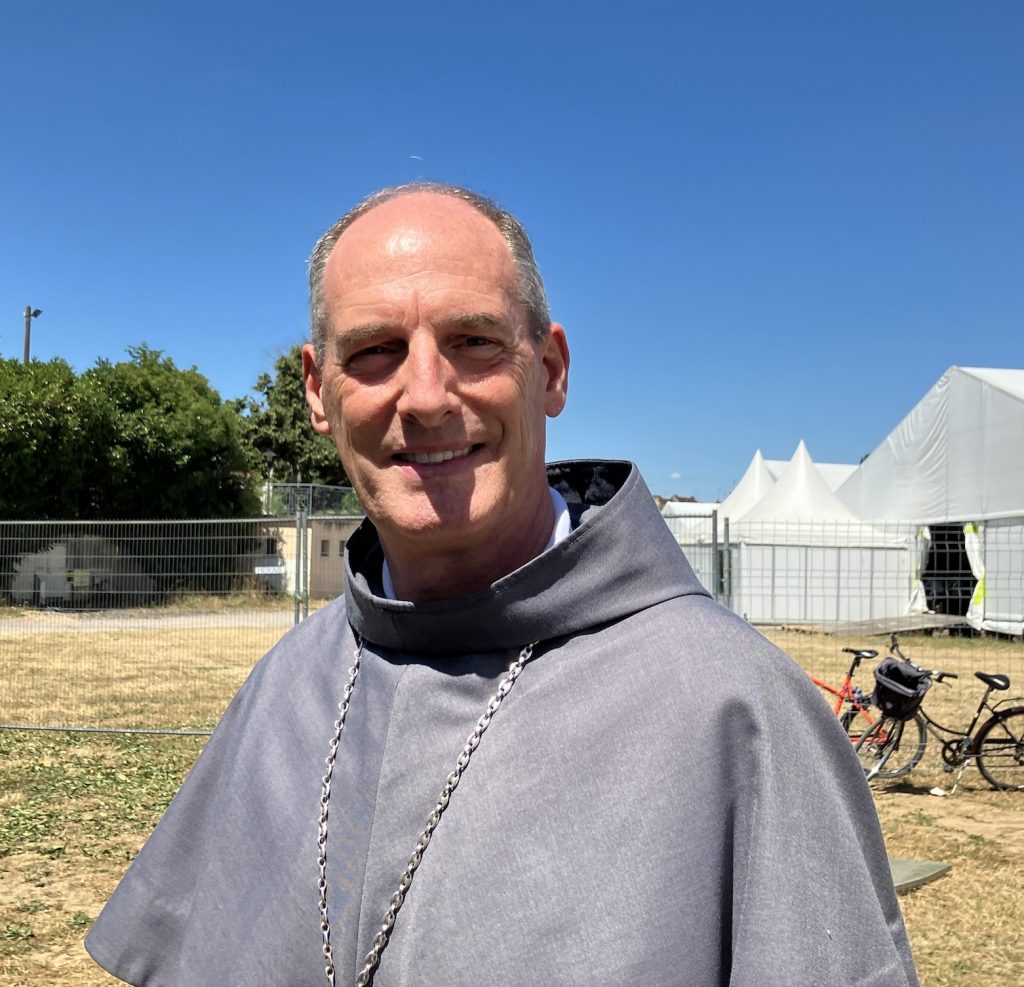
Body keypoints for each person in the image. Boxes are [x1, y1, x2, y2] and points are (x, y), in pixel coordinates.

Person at [86, 183, 919, 986]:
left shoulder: (735, 706)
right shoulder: (285, 684)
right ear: (318, 391)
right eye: (374, 351)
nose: (425, 397)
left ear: (550, 369)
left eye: (473, 340)